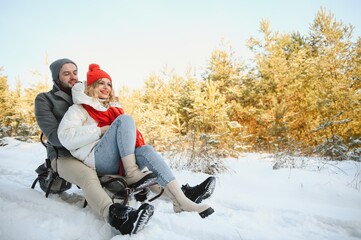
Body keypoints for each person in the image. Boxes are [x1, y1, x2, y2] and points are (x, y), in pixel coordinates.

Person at [57, 63, 215, 218]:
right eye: (100, 83)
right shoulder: (79, 109)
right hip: (97, 159)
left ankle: (181, 201)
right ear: (91, 86)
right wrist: (100, 130)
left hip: (118, 159)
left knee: (146, 150)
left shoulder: (113, 108)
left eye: (109, 84)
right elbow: (65, 137)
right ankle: (132, 172)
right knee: (124, 120)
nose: (106, 87)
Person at [34, 59, 154, 235]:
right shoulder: (45, 99)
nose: (73, 77)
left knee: (138, 157)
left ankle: (178, 193)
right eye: (66, 73)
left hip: (94, 149)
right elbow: (56, 137)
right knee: (87, 175)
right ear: (56, 77)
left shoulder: (87, 92)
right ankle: (117, 216)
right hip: (64, 155)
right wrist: (94, 133)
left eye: (75, 72)